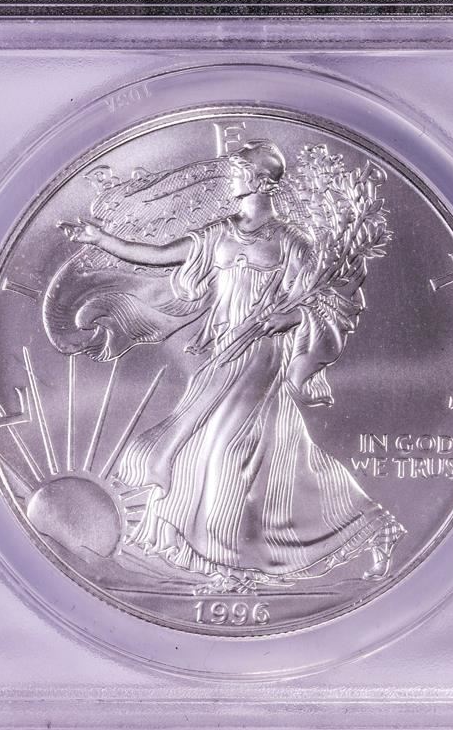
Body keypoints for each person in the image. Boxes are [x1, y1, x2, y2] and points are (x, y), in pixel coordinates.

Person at [69, 141, 404, 590]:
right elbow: (159, 253)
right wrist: (102, 240)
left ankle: (227, 565)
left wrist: (292, 317)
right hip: (224, 352)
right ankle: (367, 526)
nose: (231, 177)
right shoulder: (219, 233)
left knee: (224, 449)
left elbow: (324, 301)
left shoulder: (290, 243)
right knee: (237, 453)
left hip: (262, 355)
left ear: (261, 181)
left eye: (239, 170)